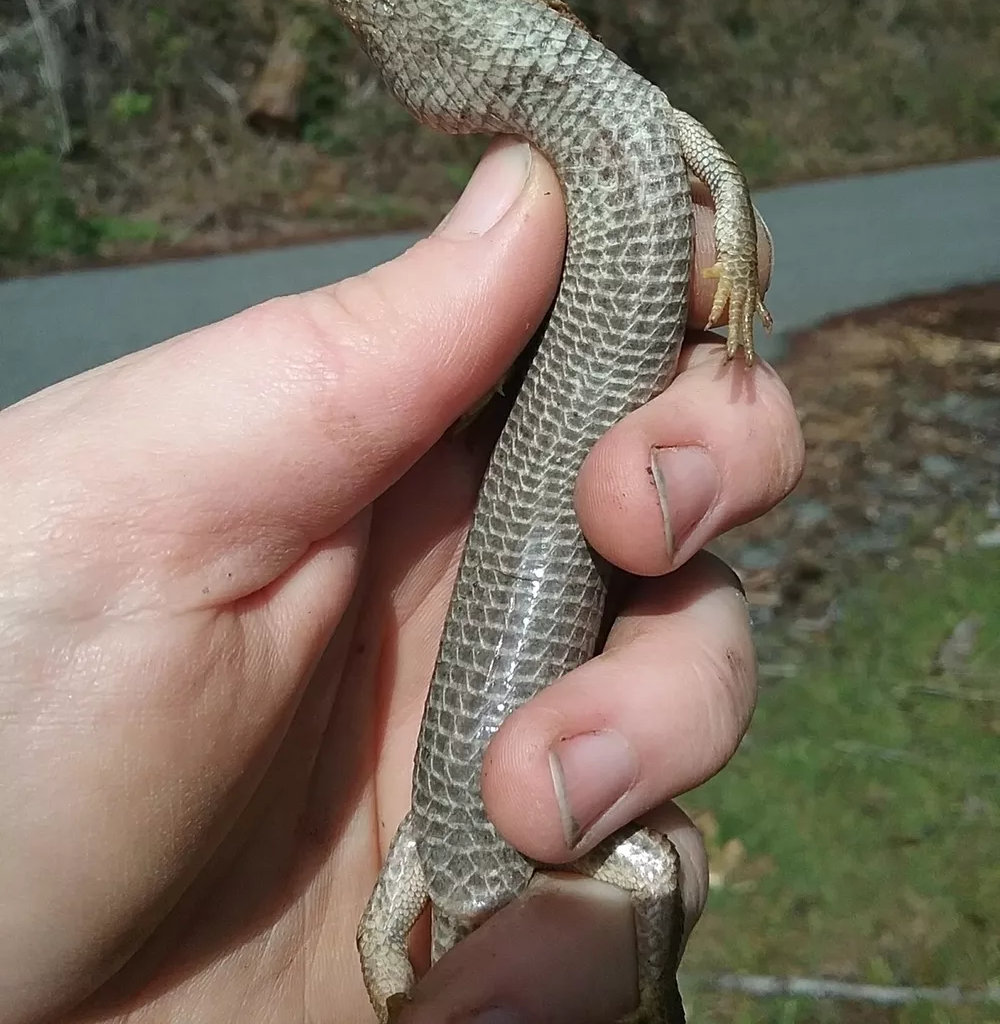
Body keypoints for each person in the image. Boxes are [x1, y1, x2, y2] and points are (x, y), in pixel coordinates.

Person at [0, 140, 803, 1024]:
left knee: (491, 913)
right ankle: (653, 1003)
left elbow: (380, 943)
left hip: (431, 827)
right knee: (640, 876)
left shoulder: (416, 852)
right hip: (454, 835)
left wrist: (392, 990)